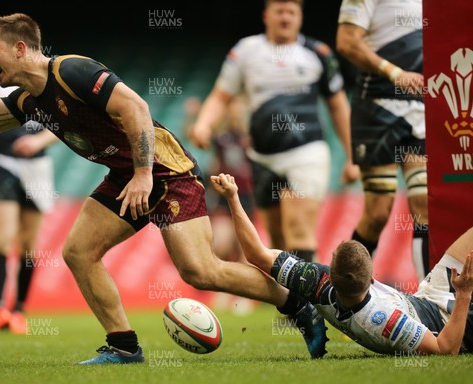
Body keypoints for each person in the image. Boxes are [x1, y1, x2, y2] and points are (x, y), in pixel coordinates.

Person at [0, 13, 329, 364]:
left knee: (201, 271)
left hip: (168, 172)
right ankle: (124, 346)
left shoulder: (71, 70)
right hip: (127, 178)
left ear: (20, 48)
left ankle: (297, 305)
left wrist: (144, 174)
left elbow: (136, 108)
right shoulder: (28, 101)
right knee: (79, 252)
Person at [212, 172, 473, 355]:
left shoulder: (316, 282)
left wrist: (233, 197)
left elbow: (257, 254)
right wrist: (463, 295)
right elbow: (445, 350)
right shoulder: (389, 321)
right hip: (446, 320)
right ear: (372, 280)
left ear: (330, 272)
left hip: (427, 295)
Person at [190, 0, 360, 263]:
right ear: (266, 16)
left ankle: (309, 303)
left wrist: (351, 157)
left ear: (300, 18)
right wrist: (204, 124)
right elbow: (221, 96)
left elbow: (338, 106)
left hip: (306, 152)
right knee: (277, 237)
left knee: (298, 229)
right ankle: (289, 301)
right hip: (261, 157)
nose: (285, 18)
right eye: (279, 11)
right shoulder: (246, 51)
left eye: (291, 12)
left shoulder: (318, 53)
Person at [336, 0, 429, 280]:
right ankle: (344, 294)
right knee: (377, 213)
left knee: (426, 205)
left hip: (422, 107)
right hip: (378, 107)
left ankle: (432, 298)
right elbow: (346, 42)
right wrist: (394, 72)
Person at [0, 71, 60, 334]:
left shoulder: (46, 79)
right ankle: (0, 308)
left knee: (30, 247)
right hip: (3, 163)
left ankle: (19, 309)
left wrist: (38, 141)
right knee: (3, 239)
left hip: (38, 168)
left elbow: (63, 125)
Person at [184, 95, 257, 315]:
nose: (235, 112)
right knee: (223, 245)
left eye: (238, 109)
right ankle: (225, 290)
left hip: (246, 196)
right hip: (225, 194)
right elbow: (196, 136)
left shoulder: (249, 136)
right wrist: (192, 116)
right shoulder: (222, 137)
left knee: (246, 249)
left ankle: (247, 297)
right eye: (232, 108)